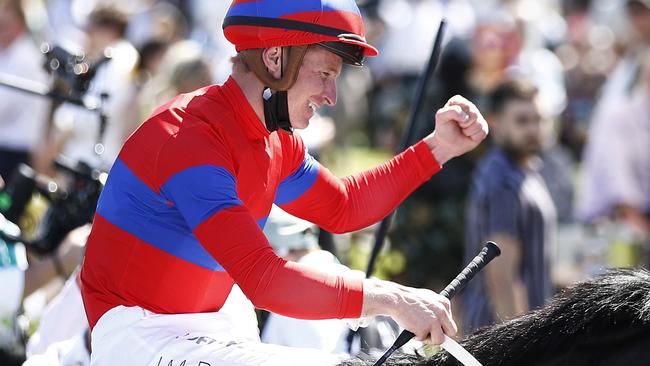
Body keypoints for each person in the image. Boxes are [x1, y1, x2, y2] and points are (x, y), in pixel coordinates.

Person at [80, 1, 488, 365]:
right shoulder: (189, 138)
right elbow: (263, 278)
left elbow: (343, 208)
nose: (331, 96)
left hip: (208, 328)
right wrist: (390, 299)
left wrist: (438, 148)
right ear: (275, 57)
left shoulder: (275, 140)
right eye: (324, 74)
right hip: (137, 335)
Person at [462, 77, 556, 332]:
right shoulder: (503, 181)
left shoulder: (525, 169)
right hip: (499, 336)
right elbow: (502, 277)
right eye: (522, 121)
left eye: (538, 120)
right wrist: (519, 345)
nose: (533, 129)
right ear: (496, 123)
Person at [0, 0, 49, 180]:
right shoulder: (6, 54)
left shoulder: (26, 60)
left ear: (20, 25)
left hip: (15, 152)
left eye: (5, 25)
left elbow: (3, 108)